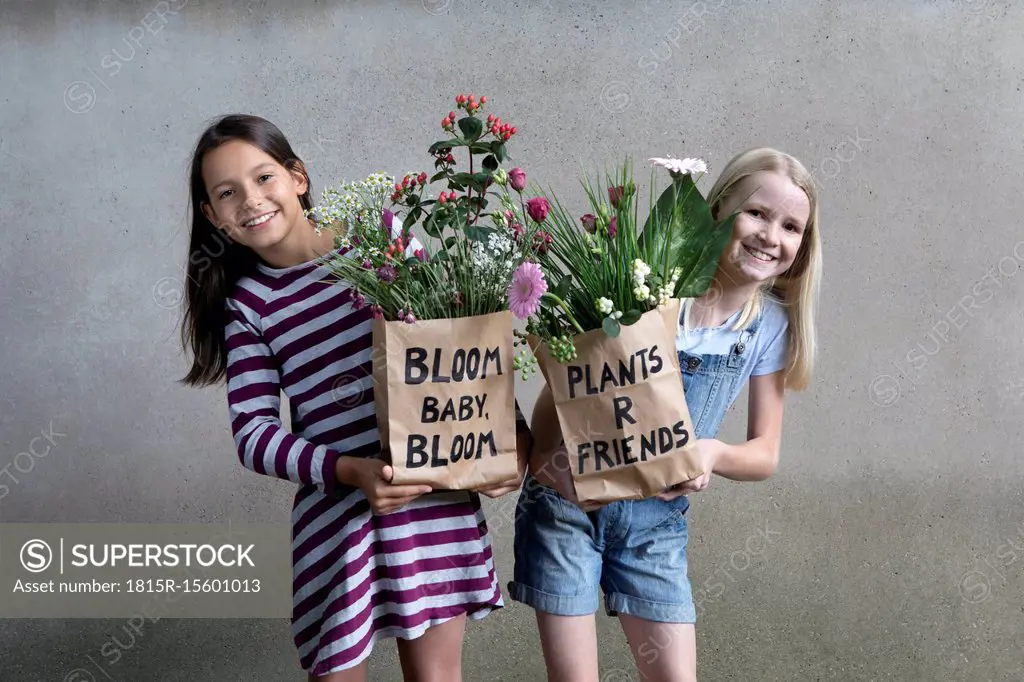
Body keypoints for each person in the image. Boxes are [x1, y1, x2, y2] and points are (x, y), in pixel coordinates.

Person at [177, 114, 529, 681]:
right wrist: (350, 471)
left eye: (264, 178)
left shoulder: (381, 241)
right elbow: (254, 436)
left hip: (430, 502)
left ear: (298, 177)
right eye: (227, 193)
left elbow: (463, 346)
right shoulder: (249, 306)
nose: (250, 200)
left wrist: (514, 438)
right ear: (212, 215)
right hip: (338, 518)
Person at [510, 147, 821, 682]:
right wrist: (541, 460)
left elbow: (764, 452)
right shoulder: (645, 294)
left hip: (655, 526)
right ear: (717, 211)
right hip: (567, 512)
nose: (772, 236)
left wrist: (714, 452)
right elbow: (565, 389)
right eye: (758, 213)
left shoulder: (769, 327)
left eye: (791, 226)